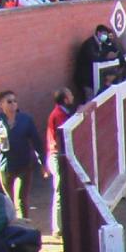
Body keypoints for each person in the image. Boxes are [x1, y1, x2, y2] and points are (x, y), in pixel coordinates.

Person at [0, 92, 45, 219]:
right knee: (9, 201)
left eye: (15, 101)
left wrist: (43, 162)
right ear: (1, 104)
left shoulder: (25, 119)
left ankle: (25, 228)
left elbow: (36, 141)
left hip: (24, 165)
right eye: (9, 102)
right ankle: (12, 227)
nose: (13, 104)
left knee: (21, 199)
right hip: (5, 166)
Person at [45, 88, 74, 237]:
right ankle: (57, 227)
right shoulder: (59, 115)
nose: (72, 96)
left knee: (61, 190)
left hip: (55, 155)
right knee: (59, 190)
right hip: (57, 155)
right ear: (65, 100)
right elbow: (61, 138)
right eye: (70, 95)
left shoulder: (60, 113)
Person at [74, 25, 118, 101]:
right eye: (105, 34)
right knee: (90, 99)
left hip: (94, 77)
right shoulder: (89, 44)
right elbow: (94, 58)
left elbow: (112, 51)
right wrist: (107, 58)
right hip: (85, 78)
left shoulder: (103, 43)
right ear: (98, 33)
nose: (106, 36)